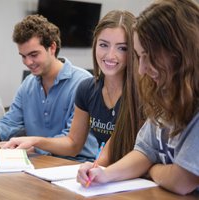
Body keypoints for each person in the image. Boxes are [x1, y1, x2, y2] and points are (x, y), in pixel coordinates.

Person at [77, 0, 199, 195]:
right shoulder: (164, 94)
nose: (141, 69)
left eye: (148, 56)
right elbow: (145, 151)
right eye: (138, 56)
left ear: (179, 52)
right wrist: (104, 174)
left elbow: (181, 181)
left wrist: (151, 169)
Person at [2, 10, 143, 166]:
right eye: (103, 45)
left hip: (135, 178)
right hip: (105, 174)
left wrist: (101, 169)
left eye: (122, 48)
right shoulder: (87, 89)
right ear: (95, 44)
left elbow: (144, 154)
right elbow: (73, 144)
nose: (110, 55)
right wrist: (35, 141)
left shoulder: (143, 93)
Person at [0, 15, 96, 161]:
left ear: (52, 48)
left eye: (34, 54)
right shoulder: (28, 84)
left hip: (75, 165)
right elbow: (10, 122)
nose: (28, 62)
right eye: (23, 56)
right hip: (37, 161)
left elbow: (71, 140)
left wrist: (34, 145)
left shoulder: (82, 83)